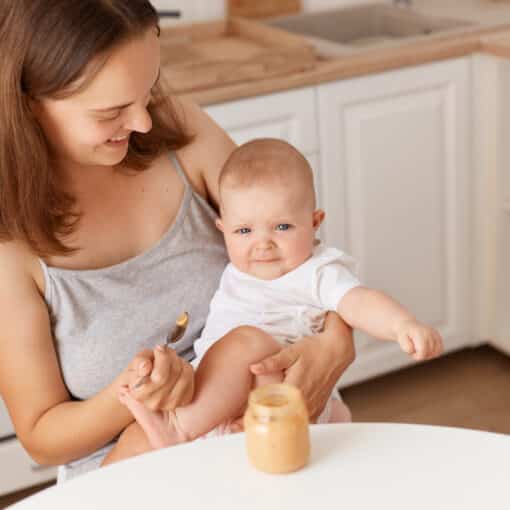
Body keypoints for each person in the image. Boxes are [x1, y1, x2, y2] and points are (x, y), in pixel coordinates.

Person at [0, 1, 355, 481]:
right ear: (27, 105)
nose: (145, 122)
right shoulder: (11, 244)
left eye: (147, 92)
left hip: (262, 437)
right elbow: (41, 435)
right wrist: (132, 393)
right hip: (131, 474)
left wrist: (334, 346)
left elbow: (301, 259)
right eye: (112, 111)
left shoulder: (183, 135)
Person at [112, 138, 444, 453]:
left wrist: (403, 325)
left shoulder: (316, 272)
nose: (263, 243)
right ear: (223, 230)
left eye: (282, 227)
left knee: (247, 343)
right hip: (220, 405)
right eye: (244, 231)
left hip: (285, 393)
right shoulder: (238, 270)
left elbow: (359, 300)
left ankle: (177, 428)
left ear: (314, 223)